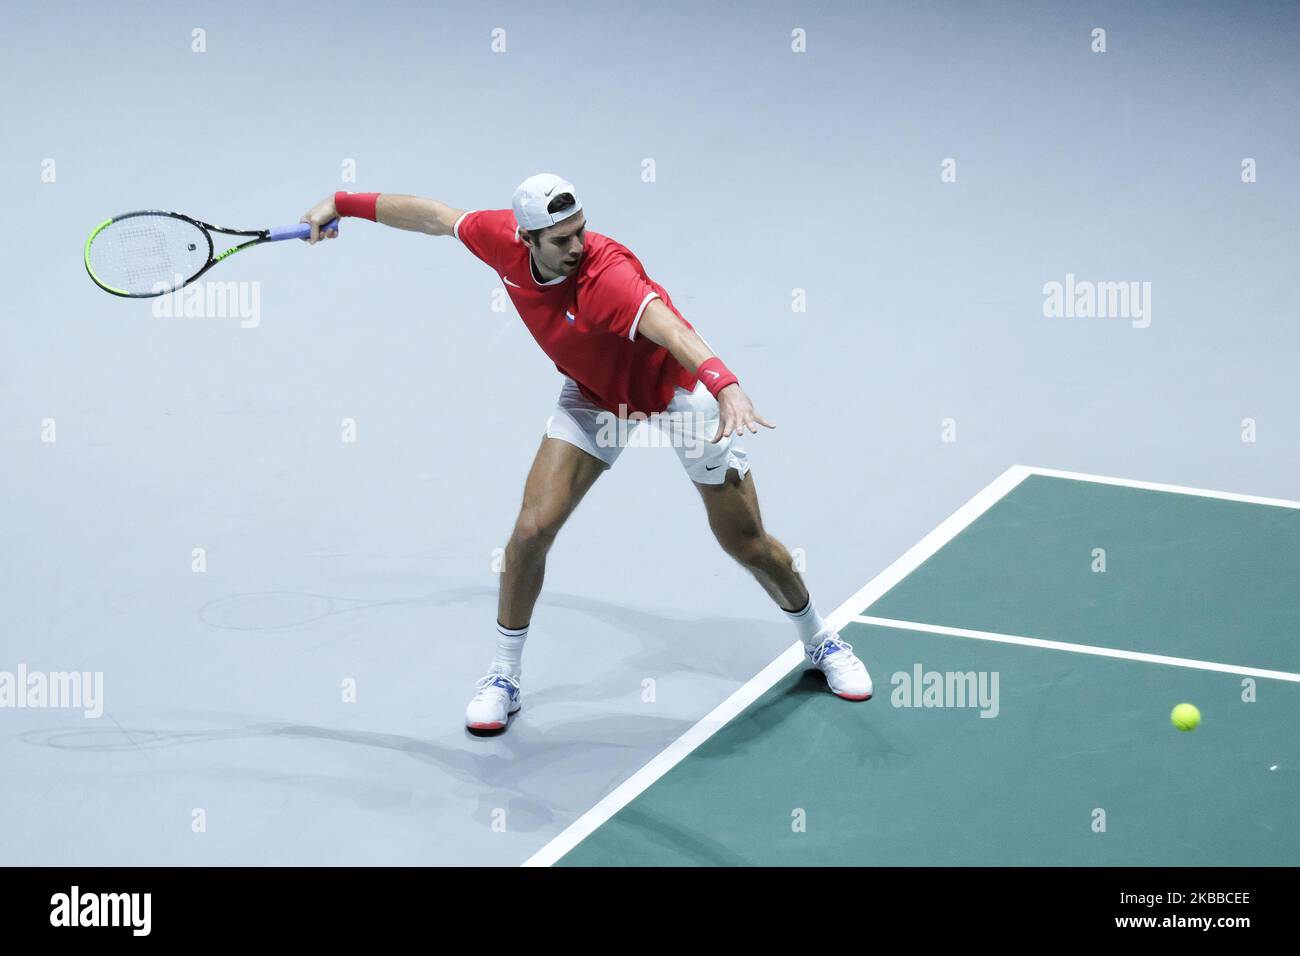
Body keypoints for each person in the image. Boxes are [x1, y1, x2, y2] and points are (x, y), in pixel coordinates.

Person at [299, 174, 872, 733]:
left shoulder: (608, 276)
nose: (578, 246)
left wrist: (726, 386)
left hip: (677, 394)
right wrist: (344, 204)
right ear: (526, 240)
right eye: (561, 239)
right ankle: (503, 677)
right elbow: (434, 216)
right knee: (529, 532)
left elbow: (674, 332)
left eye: (581, 231)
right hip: (595, 396)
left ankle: (820, 639)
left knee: (745, 542)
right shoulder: (499, 239)